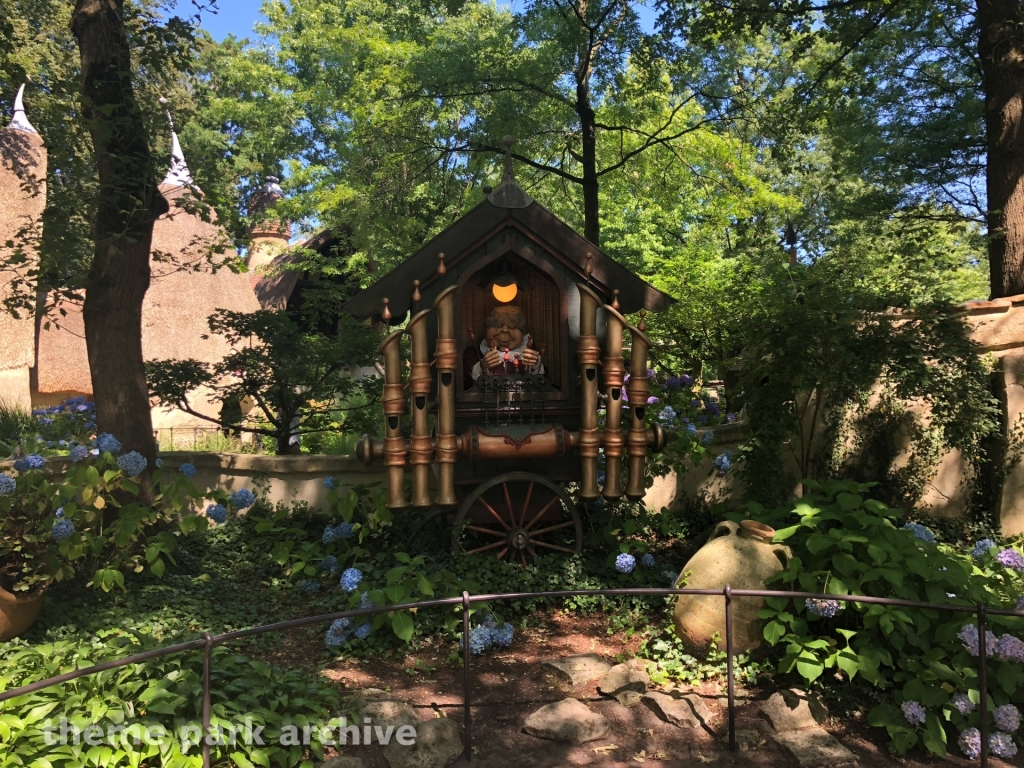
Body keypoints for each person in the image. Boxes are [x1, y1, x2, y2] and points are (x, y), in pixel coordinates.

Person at [463, 306, 543, 386]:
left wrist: (536, 365)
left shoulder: (529, 351)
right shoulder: (473, 353)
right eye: (497, 326)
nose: (505, 331)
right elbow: (464, 382)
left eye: (512, 327)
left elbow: (543, 380)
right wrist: (481, 366)